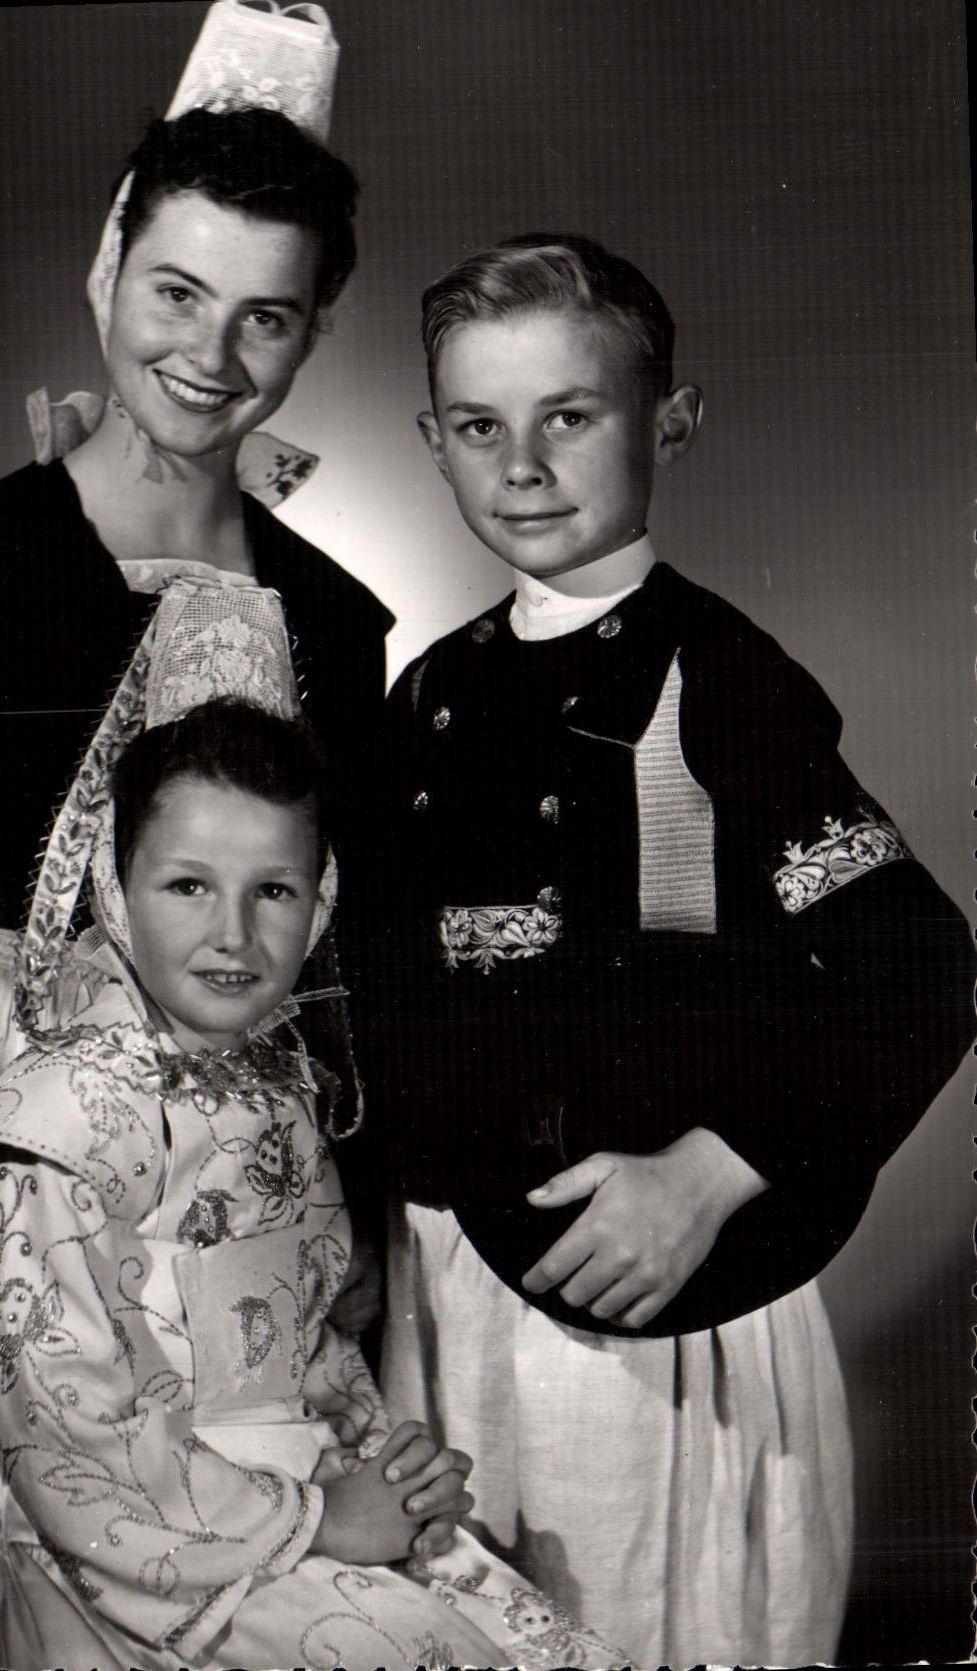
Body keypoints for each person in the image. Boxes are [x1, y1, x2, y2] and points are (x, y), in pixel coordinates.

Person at [0, 11, 391, 1660]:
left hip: (214, 1259)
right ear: (108, 268)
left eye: (266, 316)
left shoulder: (335, 626)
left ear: (313, 332)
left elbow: (341, 965)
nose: (212, 352)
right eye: (176, 291)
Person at [367, 233, 975, 1668]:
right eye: (478, 427)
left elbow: (920, 964)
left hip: (654, 1294)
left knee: (641, 1630)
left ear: (670, 421)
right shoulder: (429, 689)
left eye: (568, 416)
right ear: (432, 445)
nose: (522, 465)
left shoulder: (720, 677)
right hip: (446, 1287)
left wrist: (712, 1171)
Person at [0, 693, 624, 1671]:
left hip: (293, 1492)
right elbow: (67, 1437)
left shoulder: (282, 1086)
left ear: (319, 900)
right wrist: (321, 1519)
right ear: (115, 890)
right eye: (188, 885)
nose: (234, 936)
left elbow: (301, 1340)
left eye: (274, 891)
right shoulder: (60, 1120)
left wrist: (383, 1471)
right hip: (129, 1554)